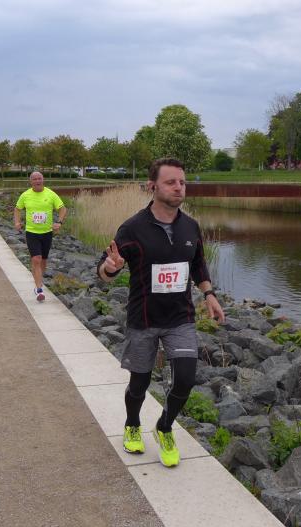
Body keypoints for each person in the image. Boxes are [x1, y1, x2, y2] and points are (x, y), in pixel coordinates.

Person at [97, 157, 224, 467]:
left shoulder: (190, 226)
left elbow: (198, 264)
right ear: (152, 186)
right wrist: (111, 268)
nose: (179, 187)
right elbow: (104, 270)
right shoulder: (133, 228)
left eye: (182, 182)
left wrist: (209, 294)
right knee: (139, 384)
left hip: (180, 318)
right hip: (144, 319)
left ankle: (164, 427)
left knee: (186, 378)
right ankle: (132, 424)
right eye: (171, 182)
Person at [14, 171, 67, 302]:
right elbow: (17, 208)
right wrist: (17, 222)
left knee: (43, 260)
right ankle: (39, 289)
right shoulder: (25, 195)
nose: (37, 181)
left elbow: (62, 209)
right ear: (30, 181)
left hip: (47, 233)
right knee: (36, 259)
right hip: (32, 232)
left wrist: (59, 222)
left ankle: (38, 281)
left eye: (39, 179)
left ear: (43, 180)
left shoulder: (50, 194)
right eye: (34, 179)